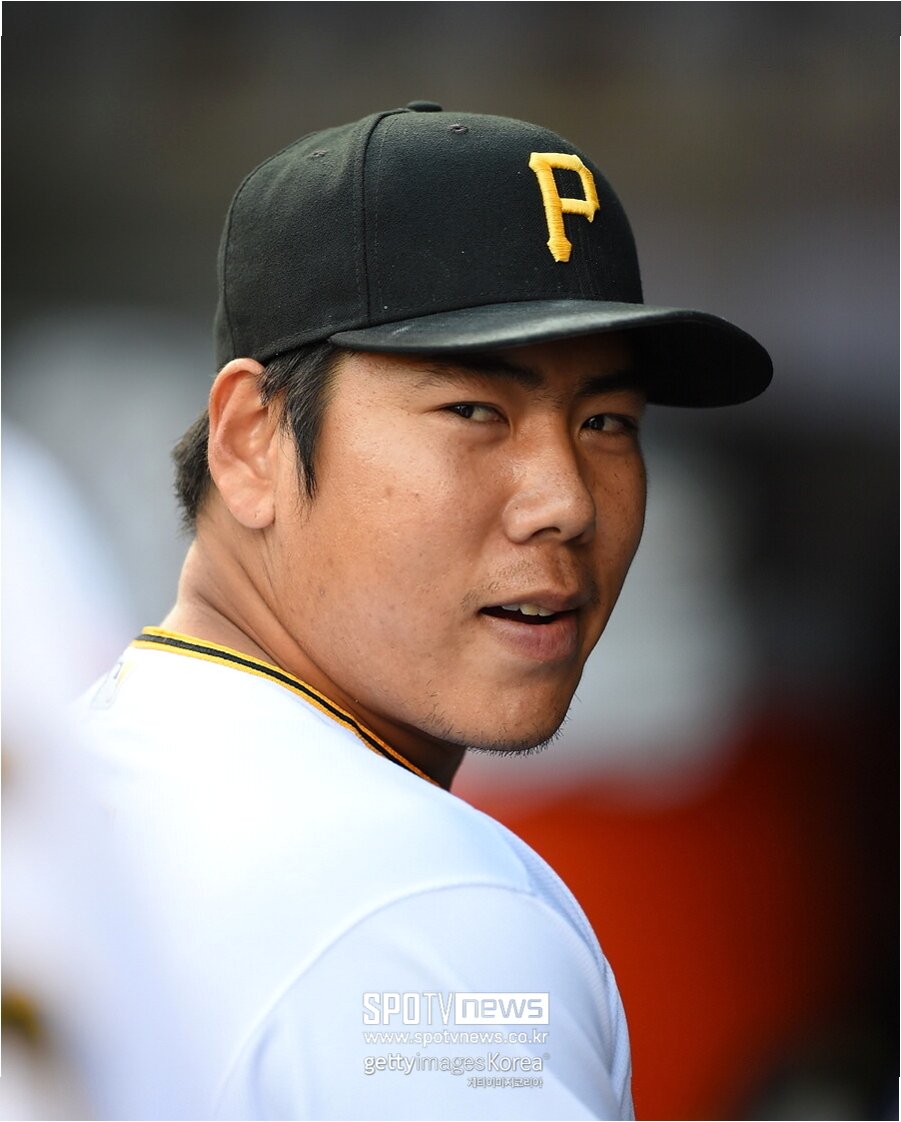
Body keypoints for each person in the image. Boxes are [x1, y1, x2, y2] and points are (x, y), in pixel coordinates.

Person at [72, 102, 771, 1121]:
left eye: (607, 421)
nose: (566, 501)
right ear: (251, 440)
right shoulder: (421, 906)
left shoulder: (95, 771)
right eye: (474, 410)